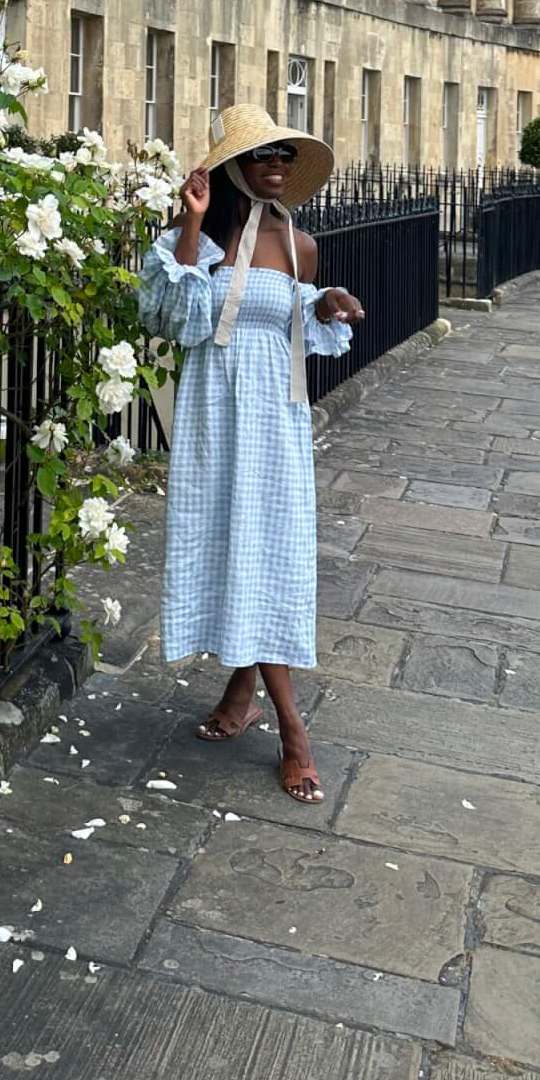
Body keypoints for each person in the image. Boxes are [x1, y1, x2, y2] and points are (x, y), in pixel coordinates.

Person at [138, 104, 364, 805]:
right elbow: (172, 317)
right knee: (235, 547)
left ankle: (272, 715)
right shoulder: (196, 238)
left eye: (288, 156)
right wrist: (195, 219)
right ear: (236, 165)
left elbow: (291, 314)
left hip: (276, 418)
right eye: (265, 154)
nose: (278, 165)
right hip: (215, 413)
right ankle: (271, 713)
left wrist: (326, 304)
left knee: (269, 552)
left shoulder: (302, 246)